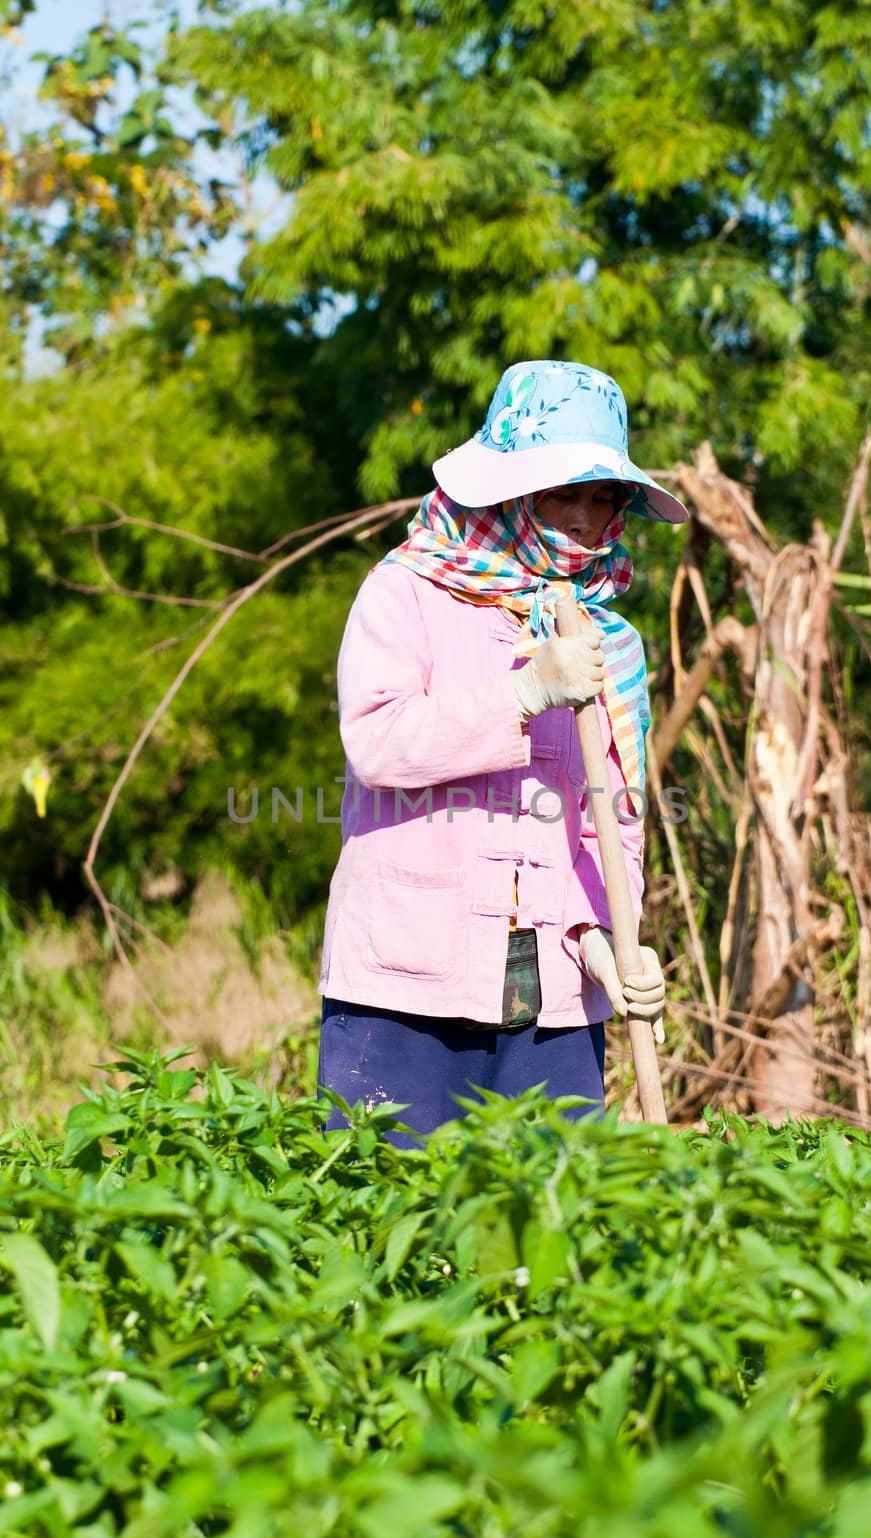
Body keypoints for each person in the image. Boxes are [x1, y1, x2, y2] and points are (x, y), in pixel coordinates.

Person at [315, 358, 688, 1149]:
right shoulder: (407, 591)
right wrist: (522, 695)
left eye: (602, 498)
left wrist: (604, 946)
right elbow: (376, 742)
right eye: (562, 495)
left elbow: (610, 823)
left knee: (548, 1240)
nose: (586, 519)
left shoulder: (607, 640)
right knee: (385, 1223)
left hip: (545, 1002)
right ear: (509, 494)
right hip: (406, 986)